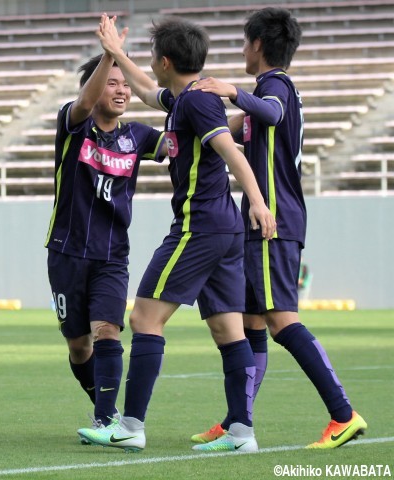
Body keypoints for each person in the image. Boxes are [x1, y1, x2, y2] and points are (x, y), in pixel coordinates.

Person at [77, 15, 276, 453]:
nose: (150, 65)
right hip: (223, 228)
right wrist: (116, 51)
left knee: (144, 319)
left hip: (198, 226)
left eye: (152, 57)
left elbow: (230, 152)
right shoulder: (186, 97)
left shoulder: (197, 102)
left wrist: (259, 202)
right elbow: (149, 92)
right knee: (229, 330)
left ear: (165, 60)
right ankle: (242, 432)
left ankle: (129, 425)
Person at [188, 7, 366, 449]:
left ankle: (343, 415)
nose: (243, 50)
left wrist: (231, 91)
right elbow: (237, 127)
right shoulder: (270, 91)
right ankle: (236, 422)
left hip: (273, 221)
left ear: (258, 45)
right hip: (263, 221)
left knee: (280, 319)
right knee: (251, 324)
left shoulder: (275, 85)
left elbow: (270, 113)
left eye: (245, 42)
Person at [45, 21, 167, 441]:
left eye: (125, 85)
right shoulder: (73, 126)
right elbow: (81, 102)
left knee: (107, 331)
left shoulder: (137, 136)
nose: (121, 90)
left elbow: (175, 142)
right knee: (79, 346)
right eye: (112, 82)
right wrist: (112, 53)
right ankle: (107, 409)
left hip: (112, 255)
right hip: (65, 253)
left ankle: (106, 422)